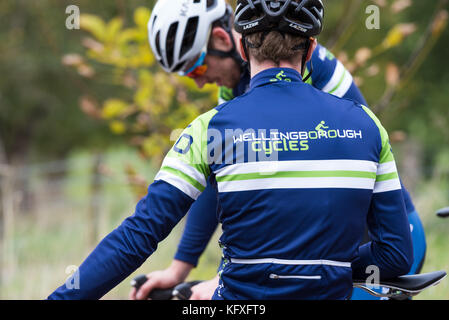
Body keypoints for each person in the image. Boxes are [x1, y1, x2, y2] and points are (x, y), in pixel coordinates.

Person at [47, 0, 414, 300]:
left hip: (371, 238)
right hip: (351, 257)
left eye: (196, 68)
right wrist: (181, 267)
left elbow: (141, 230)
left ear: (235, 43)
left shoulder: (213, 125)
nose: (200, 81)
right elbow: (217, 180)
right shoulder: (365, 123)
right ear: (310, 45)